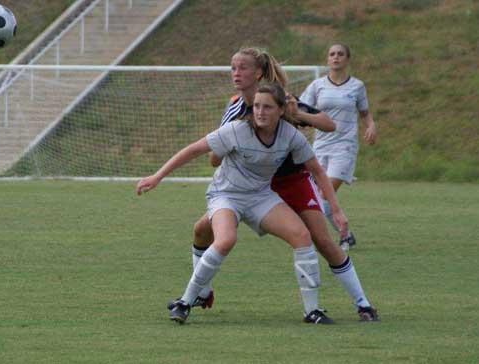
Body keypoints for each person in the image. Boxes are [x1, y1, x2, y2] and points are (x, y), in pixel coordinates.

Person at [175, 47, 379, 323]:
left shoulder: (278, 100)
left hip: (291, 181)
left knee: (321, 240)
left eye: (242, 68)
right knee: (201, 230)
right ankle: (199, 292)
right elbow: (213, 158)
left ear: (257, 73)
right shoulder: (235, 108)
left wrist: (298, 115)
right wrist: (227, 146)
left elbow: (328, 124)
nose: (236, 73)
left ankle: (362, 304)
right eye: (232, 68)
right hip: (251, 186)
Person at [137, 84, 348, 325]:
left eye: (267, 107)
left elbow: (318, 171)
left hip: (260, 196)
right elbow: (193, 150)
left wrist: (337, 210)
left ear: (281, 110)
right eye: (256, 106)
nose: (260, 111)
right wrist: (157, 176)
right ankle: (185, 301)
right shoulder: (236, 130)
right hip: (226, 195)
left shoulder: (290, 135)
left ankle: (312, 311)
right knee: (226, 239)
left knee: (302, 235)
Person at [300, 43, 378, 250]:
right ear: (327, 59)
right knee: (319, 198)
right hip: (319, 148)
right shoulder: (317, 86)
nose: (336, 57)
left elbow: (364, 113)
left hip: (344, 148)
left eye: (340, 54)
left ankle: (335, 236)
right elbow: (301, 110)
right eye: (332, 54)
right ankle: (346, 235)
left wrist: (371, 125)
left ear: (347, 59)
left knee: (324, 194)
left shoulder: (357, 86)